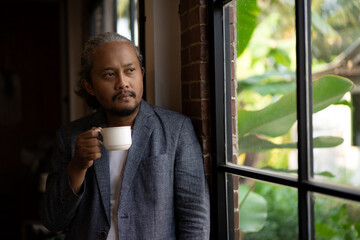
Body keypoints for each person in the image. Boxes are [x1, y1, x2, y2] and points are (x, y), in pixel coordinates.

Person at [40, 32, 210, 240]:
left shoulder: (176, 130)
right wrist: (77, 166)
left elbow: (195, 217)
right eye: (109, 75)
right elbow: (53, 221)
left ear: (141, 74)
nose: (123, 83)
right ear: (89, 86)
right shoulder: (71, 137)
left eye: (130, 71)